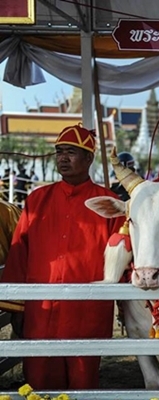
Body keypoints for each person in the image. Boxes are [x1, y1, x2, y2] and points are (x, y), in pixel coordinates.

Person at [0, 124, 124, 390]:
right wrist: (16, 306)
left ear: (89, 158)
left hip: (86, 312)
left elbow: (121, 258)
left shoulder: (109, 204)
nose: (62, 158)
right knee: (39, 383)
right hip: (41, 310)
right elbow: (19, 253)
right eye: (59, 152)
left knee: (82, 385)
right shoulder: (36, 200)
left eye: (71, 152)